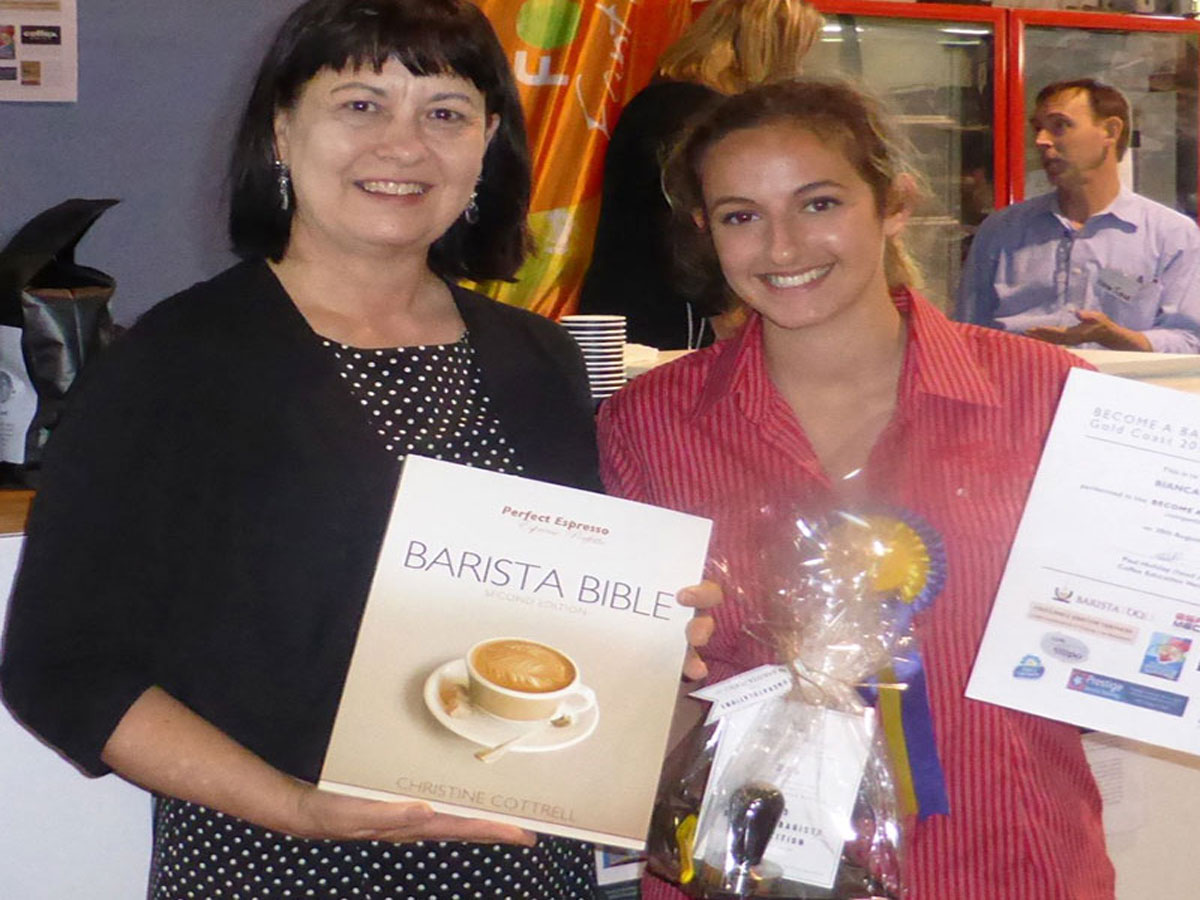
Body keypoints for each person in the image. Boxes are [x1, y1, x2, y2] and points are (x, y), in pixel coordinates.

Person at [0, 1, 715, 897]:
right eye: (361, 105)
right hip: (279, 866)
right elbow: (62, 670)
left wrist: (648, 643)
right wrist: (293, 806)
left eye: (445, 113)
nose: (405, 146)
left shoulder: (539, 357)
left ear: (488, 144)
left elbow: (557, 624)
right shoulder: (175, 365)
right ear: (281, 132)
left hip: (524, 870)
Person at [598, 79, 1115, 899]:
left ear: (895, 204)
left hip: (1007, 866)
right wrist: (638, 660)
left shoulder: (1053, 399)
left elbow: (1121, 663)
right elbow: (630, 711)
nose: (781, 247)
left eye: (819, 204)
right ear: (708, 232)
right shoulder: (649, 423)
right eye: (740, 216)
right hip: (744, 874)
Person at [576, 0, 823, 350]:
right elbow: (691, 225)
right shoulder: (705, 119)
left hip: (624, 304)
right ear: (771, 48)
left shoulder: (657, 101)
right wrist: (718, 307)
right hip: (678, 315)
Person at [957, 77, 1200, 353]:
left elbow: (1190, 341)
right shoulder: (1002, 229)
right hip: (1018, 387)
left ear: (1110, 131)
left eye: (1060, 126)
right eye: (1037, 128)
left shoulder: (1171, 235)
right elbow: (967, 335)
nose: (1041, 141)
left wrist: (1120, 338)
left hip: (1119, 389)